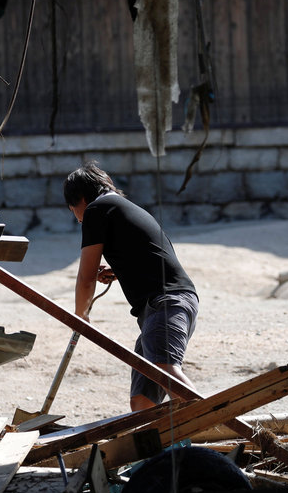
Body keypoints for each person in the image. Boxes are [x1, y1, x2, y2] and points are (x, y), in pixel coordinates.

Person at [64, 161, 199, 411]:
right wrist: (119, 270)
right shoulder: (121, 208)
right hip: (164, 306)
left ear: (80, 199)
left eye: (74, 211)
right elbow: (150, 254)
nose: (79, 220)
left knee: (166, 370)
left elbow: (86, 276)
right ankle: (156, 448)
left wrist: (80, 317)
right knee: (142, 399)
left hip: (166, 302)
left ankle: (218, 422)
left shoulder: (97, 209)